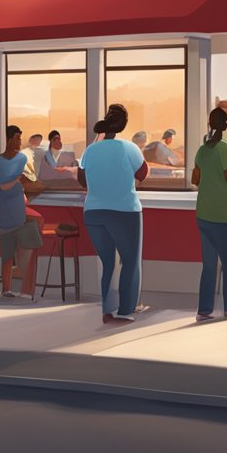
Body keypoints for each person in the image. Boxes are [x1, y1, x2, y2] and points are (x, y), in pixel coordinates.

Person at [79, 104, 149, 324]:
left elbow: (82, 180)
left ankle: (107, 310)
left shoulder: (90, 149)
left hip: (93, 213)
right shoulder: (129, 148)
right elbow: (143, 174)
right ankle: (127, 309)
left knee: (108, 262)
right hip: (124, 211)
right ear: (123, 124)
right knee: (130, 261)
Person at [192, 107, 227, 320]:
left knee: (209, 266)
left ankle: (204, 310)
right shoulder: (226, 149)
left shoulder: (202, 150)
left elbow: (195, 180)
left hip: (204, 214)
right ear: (225, 126)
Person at [0, 125, 42, 300]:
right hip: (1, 214)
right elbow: (4, 186)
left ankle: (20, 287)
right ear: (8, 139)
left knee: (26, 242)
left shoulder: (20, 158)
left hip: (16, 212)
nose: (20, 141)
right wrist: (18, 180)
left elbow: (22, 181)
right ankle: (7, 289)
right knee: (7, 253)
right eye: (17, 138)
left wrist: (23, 181)